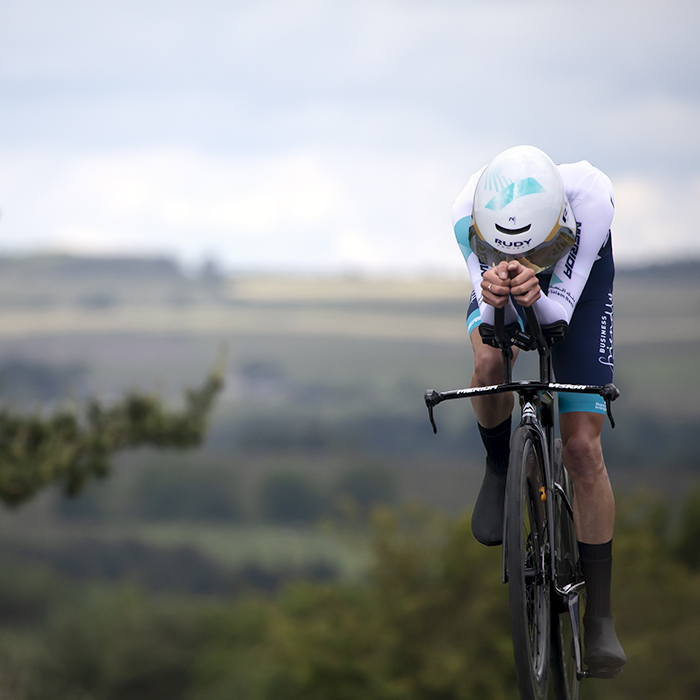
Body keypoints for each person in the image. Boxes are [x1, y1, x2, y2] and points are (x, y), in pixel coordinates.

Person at [451, 145, 626, 672]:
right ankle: (501, 464)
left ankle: (599, 617)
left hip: (577, 287)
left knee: (581, 446)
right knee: (488, 368)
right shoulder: (467, 211)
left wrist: (538, 292)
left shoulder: (591, 196)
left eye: (536, 252)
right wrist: (499, 299)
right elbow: (490, 324)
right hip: (503, 288)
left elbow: (560, 316)